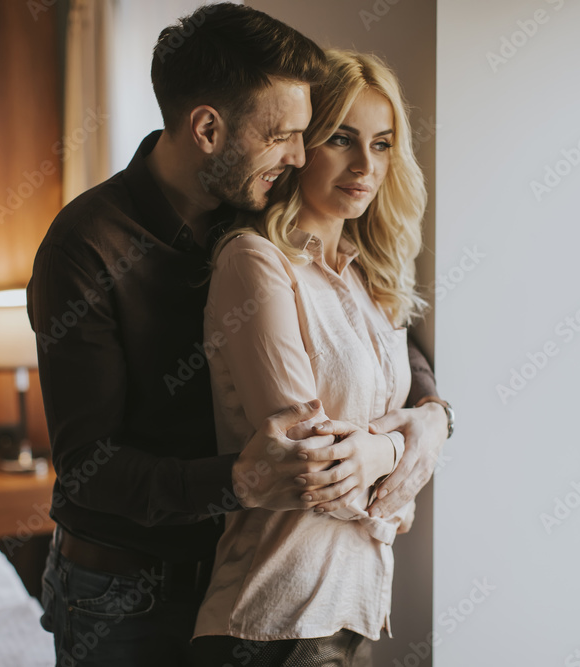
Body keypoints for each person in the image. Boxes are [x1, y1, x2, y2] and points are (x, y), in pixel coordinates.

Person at [26, 5, 447, 666]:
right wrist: (240, 481)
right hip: (125, 589)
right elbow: (87, 471)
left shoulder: (258, 207)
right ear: (207, 129)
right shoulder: (85, 245)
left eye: (309, 134)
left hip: (237, 576)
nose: (301, 156)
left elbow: (372, 330)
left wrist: (429, 418)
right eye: (283, 135)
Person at [191, 49, 453, 666]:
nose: (366, 164)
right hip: (273, 623)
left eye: (384, 144)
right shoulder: (255, 263)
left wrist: (424, 427)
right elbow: (308, 468)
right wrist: (398, 452)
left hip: (354, 614)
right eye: (343, 138)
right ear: (301, 146)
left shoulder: (371, 281)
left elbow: (398, 434)